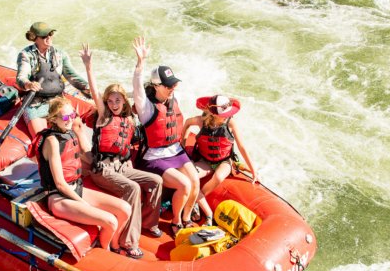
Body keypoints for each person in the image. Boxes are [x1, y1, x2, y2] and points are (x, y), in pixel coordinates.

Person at [79, 43, 164, 258]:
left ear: (124, 101)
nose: (114, 104)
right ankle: (129, 242)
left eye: (117, 100)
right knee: (133, 188)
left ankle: (148, 223)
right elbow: (94, 91)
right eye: (110, 101)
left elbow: (138, 89)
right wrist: (88, 66)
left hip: (124, 166)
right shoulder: (104, 116)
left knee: (156, 181)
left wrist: (140, 62)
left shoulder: (130, 119)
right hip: (104, 170)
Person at [33, 96, 132, 252]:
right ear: (54, 119)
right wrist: (83, 204)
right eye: (65, 117)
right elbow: (60, 184)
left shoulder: (69, 133)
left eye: (72, 115)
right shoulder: (52, 141)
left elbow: (73, 158)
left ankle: (114, 245)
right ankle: (105, 251)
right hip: (58, 197)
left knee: (125, 209)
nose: (70, 120)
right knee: (111, 221)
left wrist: (97, 163)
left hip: (76, 188)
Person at [131, 37, 200, 235]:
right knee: (184, 184)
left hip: (175, 150)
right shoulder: (146, 107)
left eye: (173, 85)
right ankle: (176, 222)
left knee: (194, 180)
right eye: (168, 86)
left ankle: (186, 217)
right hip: (155, 156)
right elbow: (137, 88)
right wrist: (140, 62)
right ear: (156, 86)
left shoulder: (172, 98)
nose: (172, 89)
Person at [181, 95, 258, 225]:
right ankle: (203, 208)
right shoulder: (201, 121)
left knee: (218, 177)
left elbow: (242, 147)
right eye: (225, 114)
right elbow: (187, 122)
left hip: (224, 161)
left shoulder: (231, 123)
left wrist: (253, 170)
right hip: (204, 160)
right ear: (213, 114)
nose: (228, 116)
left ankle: (196, 199)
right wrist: (182, 144)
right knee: (190, 177)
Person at [16, 22, 90, 137]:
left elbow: (72, 76)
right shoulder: (26, 54)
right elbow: (21, 77)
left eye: (50, 34)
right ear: (35, 38)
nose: (49, 37)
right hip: (36, 103)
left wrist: (89, 89)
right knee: (41, 137)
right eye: (44, 36)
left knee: (77, 126)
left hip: (58, 100)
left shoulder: (60, 54)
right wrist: (29, 84)